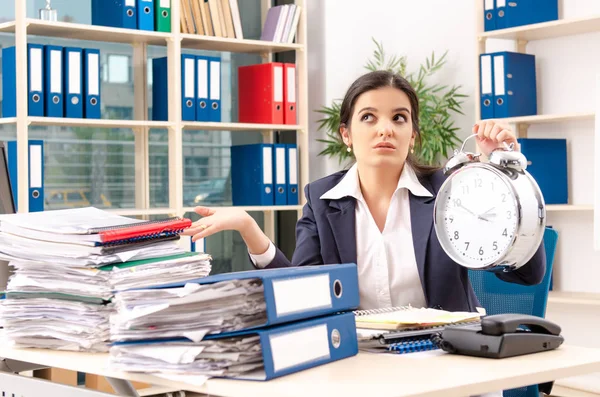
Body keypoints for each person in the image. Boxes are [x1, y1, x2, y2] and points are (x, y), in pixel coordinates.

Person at [183, 70, 545, 314]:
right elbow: (299, 293)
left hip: (448, 360)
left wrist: (500, 171)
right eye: (369, 117)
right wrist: (251, 230)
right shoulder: (322, 200)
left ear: (413, 135)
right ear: (346, 133)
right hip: (361, 364)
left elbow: (526, 274)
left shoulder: (452, 192)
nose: (384, 129)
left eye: (399, 118)